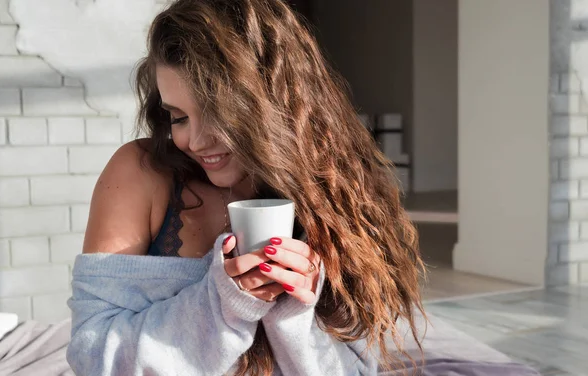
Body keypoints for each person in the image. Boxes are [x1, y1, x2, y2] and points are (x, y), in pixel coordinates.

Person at [66, 0, 426, 375]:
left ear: (276, 102)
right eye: (179, 117)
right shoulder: (140, 173)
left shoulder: (329, 193)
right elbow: (92, 355)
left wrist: (295, 311)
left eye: (218, 112)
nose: (197, 140)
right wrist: (225, 304)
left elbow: (351, 368)